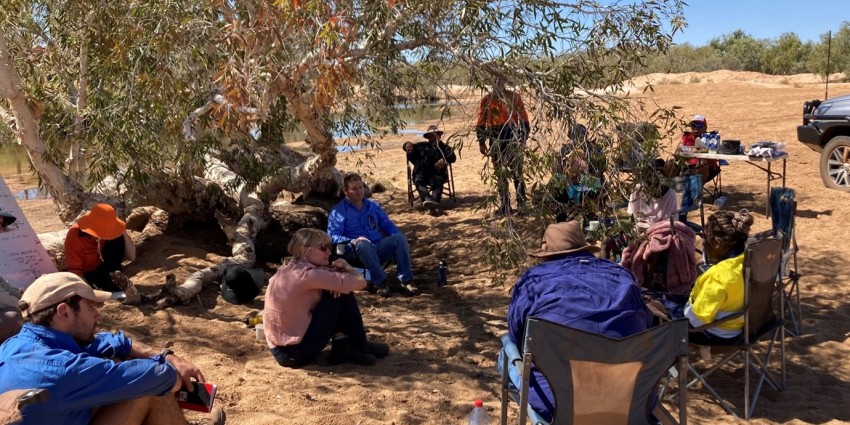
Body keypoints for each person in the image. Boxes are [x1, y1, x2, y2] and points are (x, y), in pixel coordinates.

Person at [0, 272, 225, 425]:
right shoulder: (64, 369)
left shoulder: (16, 346)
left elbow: (106, 342)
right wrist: (171, 370)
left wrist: (165, 355)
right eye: (90, 307)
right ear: (64, 312)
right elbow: (160, 376)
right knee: (145, 388)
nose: (98, 315)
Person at [500, 221, 653, 423]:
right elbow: (647, 326)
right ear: (584, 249)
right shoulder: (623, 277)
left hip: (559, 403)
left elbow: (517, 335)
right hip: (632, 400)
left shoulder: (533, 281)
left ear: (546, 256)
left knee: (506, 354)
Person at [264, 228, 390, 368]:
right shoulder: (308, 276)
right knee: (341, 291)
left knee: (336, 289)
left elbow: (325, 276)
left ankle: (344, 346)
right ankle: (358, 345)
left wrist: (335, 280)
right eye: (323, 248)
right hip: (294, 354)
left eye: (329, 247)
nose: (329, 252)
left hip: (280, 349)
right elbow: (361, 282)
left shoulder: (289, 268)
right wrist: (348, 268)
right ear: (305, 250)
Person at [327, 172, 418, 297]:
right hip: (355, 251)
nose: (359, 192)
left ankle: (406, 280)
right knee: (363, 244)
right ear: (345, 191)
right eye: (354, 189)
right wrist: (353, 240)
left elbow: (387, 225)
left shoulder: (373, 206)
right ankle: (381, 282)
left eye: (360, 187)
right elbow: (333, 236)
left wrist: (399, 237)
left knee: (399, 238)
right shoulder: (338, 211)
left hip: (377, 247)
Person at [676, 209, 754, 344]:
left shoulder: (719, 276)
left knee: (658, 311)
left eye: (705, 237)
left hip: (717, 334)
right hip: (742, 327)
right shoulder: (751, 261)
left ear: (717, 243)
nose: (704, 243)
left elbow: (696, 321)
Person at [476, 76, 530, 216]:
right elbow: (481, 123)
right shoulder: (486, 100)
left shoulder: (513, 97)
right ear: (490, 82)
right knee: (500, 174)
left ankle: (522, 205)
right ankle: (505, 206)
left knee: (517, 173)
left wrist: (523, 139)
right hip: (495, 138)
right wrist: (481, 142)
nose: (497, 82)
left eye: (500, 79)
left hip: (513, 136)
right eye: (494, 80)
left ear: (504, 81)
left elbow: (524, 120)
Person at [64, 203, 137, 295]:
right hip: (88, 274)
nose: (106, 235)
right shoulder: (74, 237)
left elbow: (131, 256)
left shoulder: (115, 233)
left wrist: (123, 232)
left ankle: (114, 281)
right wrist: (89, 292)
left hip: (110, 270)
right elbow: (76, 272)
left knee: (118, 238)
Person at [403, 125, 457, 215]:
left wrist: (444, 160)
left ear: (439, 135)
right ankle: (429, 201)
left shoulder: (445, 147)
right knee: (418, 180)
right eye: (430, 136)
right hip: (421, 173)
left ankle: (433, 204)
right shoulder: (421, 146)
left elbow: (453, 157)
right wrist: (407, 146)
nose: (431, 137)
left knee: (437, 181)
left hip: (437, 174)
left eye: (434, 135)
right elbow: (409, 149)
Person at [676, 115, 721, 186]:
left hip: (708, 169)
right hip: (689, 168)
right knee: (669, 164)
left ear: (705, 127)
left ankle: (696, 193)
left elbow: (715, 156)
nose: (695, 127)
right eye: (693, 125)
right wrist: (696, 149)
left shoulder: (712, 138)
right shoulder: (686, 137)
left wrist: (687, 149)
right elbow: (677, 152)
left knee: (702, 163)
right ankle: (669, 194)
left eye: (699, 125)